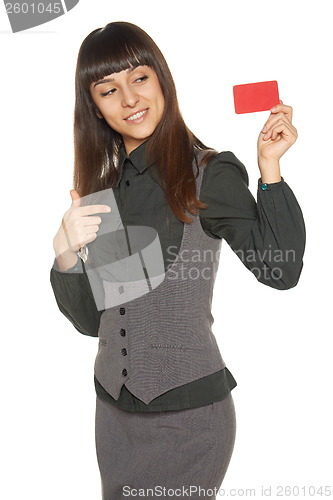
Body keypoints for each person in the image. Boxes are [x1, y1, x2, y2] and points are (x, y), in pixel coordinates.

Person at [50, 21, 306, 500]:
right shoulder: (106, 190)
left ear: (162, 80)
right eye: (109, 90)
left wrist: (269, 169)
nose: (129, 99)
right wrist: (65, 251)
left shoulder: (209, 173)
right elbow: (94, 322)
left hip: (188, 421)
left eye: (140, 78)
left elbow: (282, 269)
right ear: (97, 109)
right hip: (113, 415)